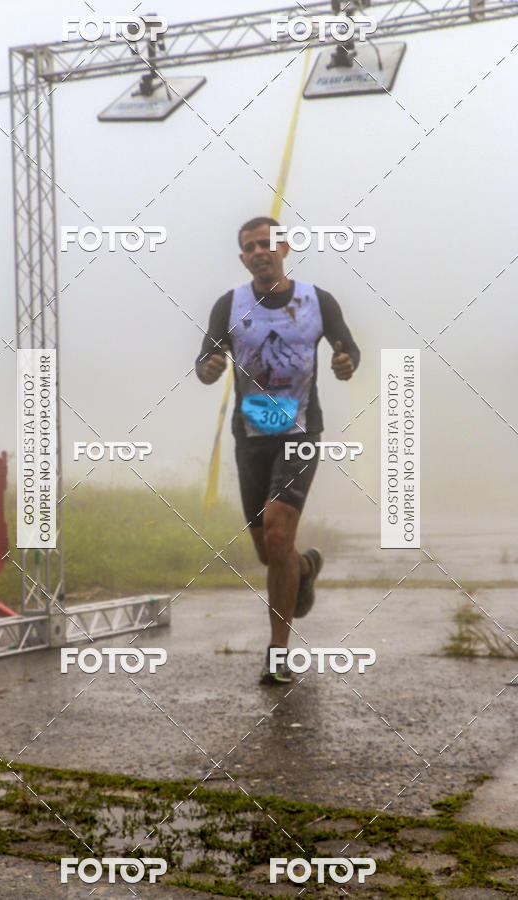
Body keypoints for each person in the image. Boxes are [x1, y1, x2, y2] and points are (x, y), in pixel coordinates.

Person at [195, 216, 360, 684]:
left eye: (268, 243)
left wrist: (346, 363)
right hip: (251, 438)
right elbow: (206, 359)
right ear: (243, 258)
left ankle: (278, 653)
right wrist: (208, 369)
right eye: (250, 247)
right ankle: (304, 568)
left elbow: (348, 349)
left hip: (300, 433)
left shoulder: (316, 301)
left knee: (277, 531)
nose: (260, 252)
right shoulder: (230, 305)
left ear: (284, 247)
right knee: (271, 552)